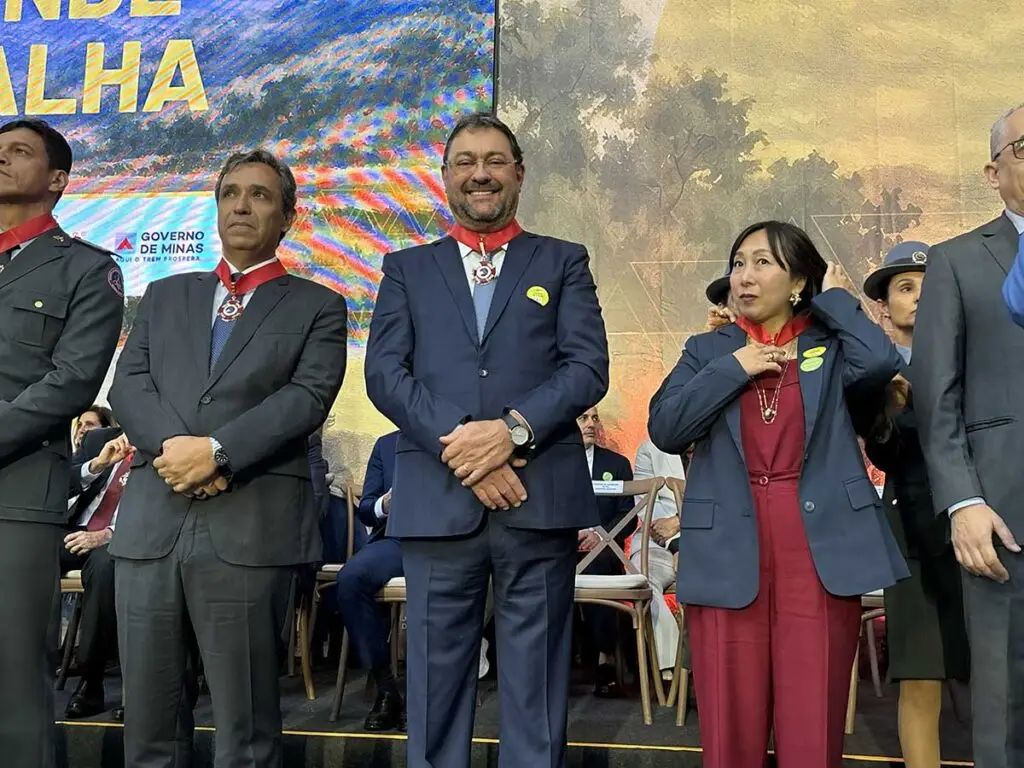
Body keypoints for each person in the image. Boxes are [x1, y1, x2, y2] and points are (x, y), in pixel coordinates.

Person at [365, 112, 608, 768]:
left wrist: (511, 432)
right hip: (439, 505)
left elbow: (587, 367)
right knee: (436, 686)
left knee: (536, 690)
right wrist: (468, 448)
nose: (480, 173)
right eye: (465, 161)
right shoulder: (406, 268)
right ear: (445, 177)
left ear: (519, 173)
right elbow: (385, 374)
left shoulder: (562, 261)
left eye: (495, 160)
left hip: (539, 499)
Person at [108, 149, 348, 767]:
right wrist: (175, 454)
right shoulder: (162, 296)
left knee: (245, 732)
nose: (242, 205)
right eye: (231, 193)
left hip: (250, 528)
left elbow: (307, 397)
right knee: (149, 726)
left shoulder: (317, 305)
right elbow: (130, 385)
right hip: (151, 527)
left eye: (261, 195)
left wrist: (217, 453)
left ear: (288, 216)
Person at [648, 220, 907, 767]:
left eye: (762, 262)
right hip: (725, 546)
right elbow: (666, 426)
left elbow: (880, 362)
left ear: (796, 280)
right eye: (737, 262)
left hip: (817, 548)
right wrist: (733, 367)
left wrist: (826, 298)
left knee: (811, 724)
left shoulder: (829, 345)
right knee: (729, 728)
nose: (744, 275)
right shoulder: (706, 350)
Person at [0, 118, 124, 768]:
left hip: (17, 494)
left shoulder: (86, 270)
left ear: (56, 179)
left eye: (16, 152)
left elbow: (72, 381)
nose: (0, 159)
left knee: (15, 683)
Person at [912, 102, 1024, 768]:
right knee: (1004, 708)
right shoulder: (957, 262)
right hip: (1003, 516)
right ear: (993, 170)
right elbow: (936, 394)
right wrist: (962, 501)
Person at [858, 242, 969, 768]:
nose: (920, 299)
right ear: (884, 308)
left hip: (983, 529)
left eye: (929, 287)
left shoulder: (979, 361)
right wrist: (889, 400)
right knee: (921, 680)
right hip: (911, 531)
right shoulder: (876, 379)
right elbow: (885, 450)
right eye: (905, 288)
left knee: (994, 678)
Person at [334, 430, 406, 732]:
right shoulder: (386, 444)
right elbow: (366, 509)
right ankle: (386, 688)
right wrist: (385, 505)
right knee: (350, 579)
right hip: (395, 539)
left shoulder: (457, 439)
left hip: (444, 541)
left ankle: (425, 696)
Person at [63, 425, 134, 722]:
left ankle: (91, 684)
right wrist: (96, 465)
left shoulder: (167, 437)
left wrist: (107, 535)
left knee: (105, 566)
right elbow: (60, 483)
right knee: (20, 551)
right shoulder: (98, 440)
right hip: (74, 529)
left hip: (119, 539)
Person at [575, 405, 633, 696]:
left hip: (604, 547)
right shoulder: (549, 465)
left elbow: (628, 514)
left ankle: (605, 657)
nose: (590, 424)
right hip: (562, 546)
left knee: (600, 563)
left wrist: (600, 535)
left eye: (594, 418)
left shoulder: (617, 464)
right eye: (583, 418)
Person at [630, 439, 685, 678]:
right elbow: (646, 508)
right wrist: (674, 543)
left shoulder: (722, 443)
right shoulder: (650, 450)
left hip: (704, 538)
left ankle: (702, 662)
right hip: (656, 542)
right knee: (642, 577)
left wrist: (682, 524)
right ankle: (672, 664)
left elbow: (724, 500)